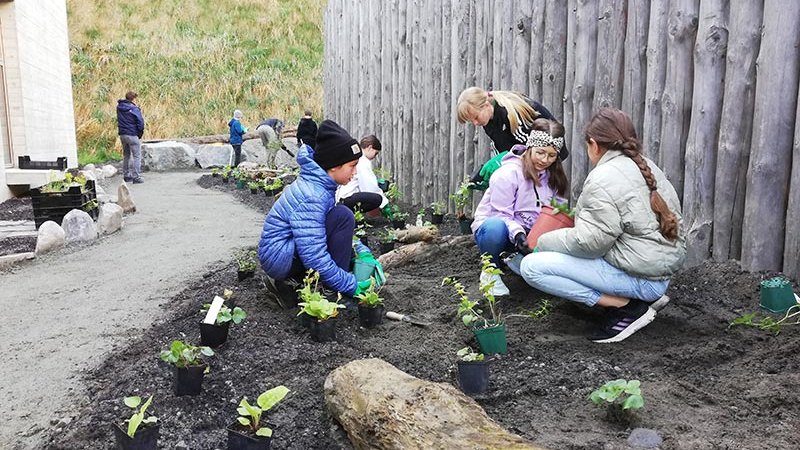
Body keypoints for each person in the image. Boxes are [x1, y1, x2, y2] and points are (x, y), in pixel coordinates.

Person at [519, 108, 686, 343]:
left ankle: (627, 308)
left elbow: (590, 243)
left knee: (532, 267)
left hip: (641, 279)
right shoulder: (648, 167)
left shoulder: (603, 177)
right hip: (659, 274)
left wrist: (544, 242)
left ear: (594, 145)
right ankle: (642, 299)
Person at [258, 120, 385, 299]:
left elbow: (320, 230)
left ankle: (302, 282)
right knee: (343, 216)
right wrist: (350, 285)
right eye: (352, 166)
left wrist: (361, 251)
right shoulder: (314, 196)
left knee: (341, 216)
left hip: (285, 251)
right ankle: (331, 292)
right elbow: (314, 254)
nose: (355, 172)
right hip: (279, 258)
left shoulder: (321, 186)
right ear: (334, 165)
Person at [471, 119, 569, 296]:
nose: (545, 160)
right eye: (540, 153)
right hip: (499, 231)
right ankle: (490, 270)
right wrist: (518, 234)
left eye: (552, 155)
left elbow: (557, 212)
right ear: (530, 146)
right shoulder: (507, 174)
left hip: (530, 237)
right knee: (495, 227)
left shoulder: (554, 178)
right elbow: (501, 215)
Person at [456, 87, 565, 190]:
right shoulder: (488, 121)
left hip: (547, 153)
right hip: (529, 159)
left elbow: (529, 146)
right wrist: (494, 172)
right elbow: (500, 146)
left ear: (486, 105)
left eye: (476, 117)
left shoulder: (510, 112)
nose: (475, 123)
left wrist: (503, 159)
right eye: (471, 121)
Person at [335, 135, 390, 214]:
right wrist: (384, 204)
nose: (375, 157)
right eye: (376, 153)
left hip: (341, 197)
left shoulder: (357, 157)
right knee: (377, 199)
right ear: (370, 148)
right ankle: (352, 214)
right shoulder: (363, 161)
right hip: (346, 199)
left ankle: (354, 215)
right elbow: (370, 188)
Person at [116, 91, 145, 184]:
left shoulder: (119, 107)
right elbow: (140, 123)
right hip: (132, 134)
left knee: (126, 155)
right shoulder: (134, 109)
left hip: (122, 134)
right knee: (136, 156)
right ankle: (136, 177)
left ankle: (126, 175)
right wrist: (139, 134)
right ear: (133, 99)